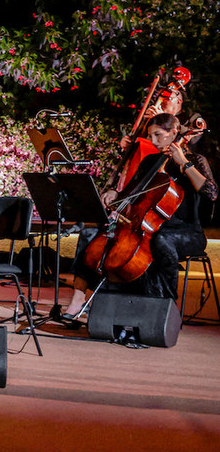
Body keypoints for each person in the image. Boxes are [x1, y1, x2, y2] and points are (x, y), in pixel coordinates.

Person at [64, 112, 216, 317]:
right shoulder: (151, 161)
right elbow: (131, 193)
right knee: (90, 235)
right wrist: (115, 194)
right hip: (144, 227)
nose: (153, 141)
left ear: (174, 133)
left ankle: (164, 306)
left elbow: (211, 193)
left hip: (185, 232)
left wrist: (184, 163)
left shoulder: (196, 160)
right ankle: (79, 298)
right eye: (150, 136)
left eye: (158, 135)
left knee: (160, 241)